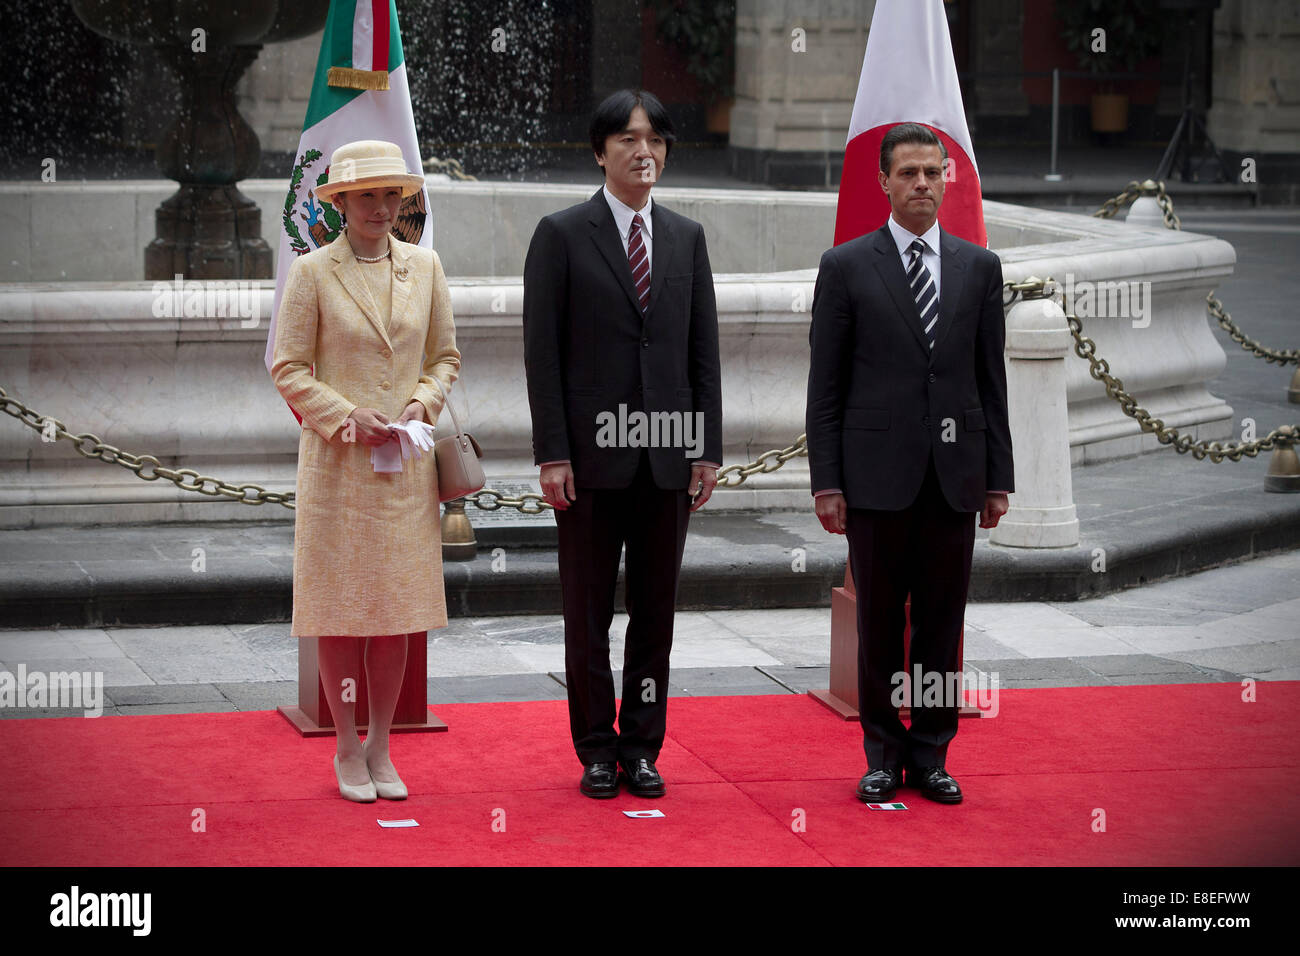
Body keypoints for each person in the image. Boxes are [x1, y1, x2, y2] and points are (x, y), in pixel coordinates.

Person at [522, 89, 722, 799]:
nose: (646, 152)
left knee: (656, 615)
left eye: (657, 140)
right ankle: (596, 749)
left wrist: (707, 449)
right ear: (600, 151)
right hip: (590, 464)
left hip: (667, 459)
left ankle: (641, 745)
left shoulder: (687, 238)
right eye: (630, 140)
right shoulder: (561, 235)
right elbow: (541, 356)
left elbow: (704, 355)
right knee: (588, 614)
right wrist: (553, 453)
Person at [805, 123, 1013, 805]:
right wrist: (828, 482)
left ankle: (931, 754)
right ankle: (881, 753)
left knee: (942, 623)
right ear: (884, 183)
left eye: (933, 172)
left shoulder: (980, 268)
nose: (922, 184)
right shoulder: (846, 267)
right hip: (873, 482)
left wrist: (997, 477)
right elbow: (826, 388)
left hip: (955, 479)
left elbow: (990, 381)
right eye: (909, 173)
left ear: (947, 177)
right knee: (879, 626)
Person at [271, 140, 460, 803]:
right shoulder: (313, 273)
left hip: (404, 469)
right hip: (338, 468)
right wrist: (344, 412)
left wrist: (420, 402)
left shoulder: (427, 266)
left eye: (390, 196)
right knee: (340, 609)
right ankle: (346, 746)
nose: (380, 208)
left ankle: (382, 744)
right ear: (341, 204)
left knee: (396, 610)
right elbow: (288, 367)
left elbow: (445, 358)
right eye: (366, 196)